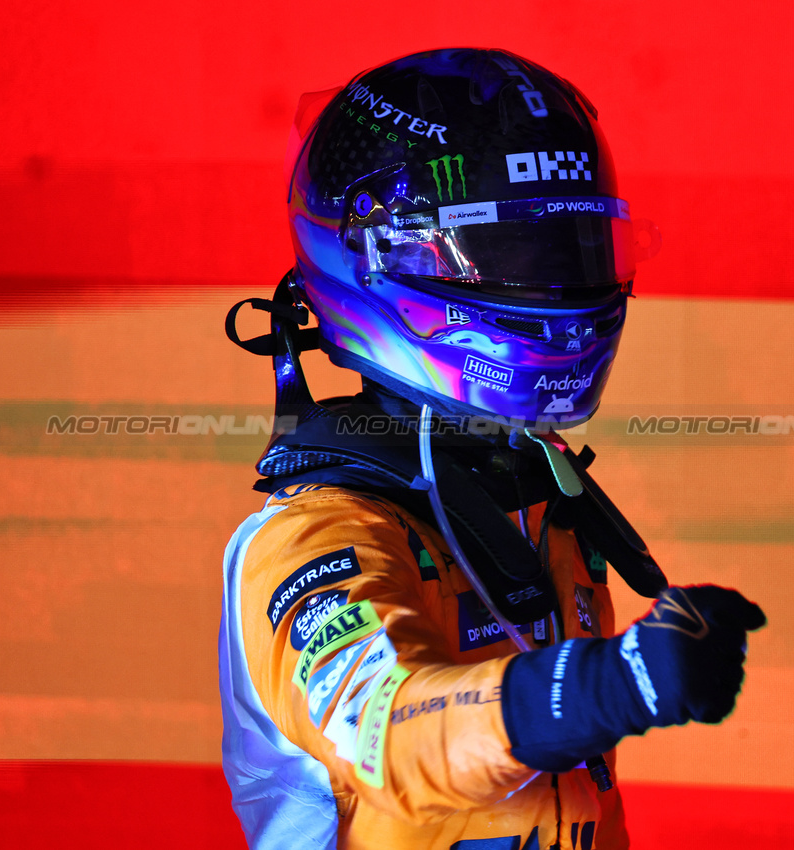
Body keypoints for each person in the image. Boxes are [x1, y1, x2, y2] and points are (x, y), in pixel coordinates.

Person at [218, 48, 765, 849]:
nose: (554, 286)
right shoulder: (312, 539)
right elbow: (391, 734)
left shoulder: (538, 504)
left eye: (571, 250)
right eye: (515, 255)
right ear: (387, 256)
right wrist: (611, 684)